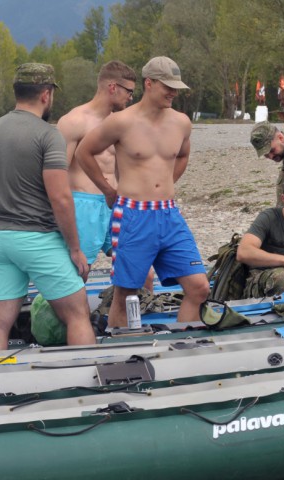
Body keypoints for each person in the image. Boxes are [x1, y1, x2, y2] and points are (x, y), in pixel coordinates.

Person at [75, 56, 209, 328]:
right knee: (126, 293)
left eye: (176, 87)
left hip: (169, 215)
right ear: (149, 83)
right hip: (133, 215)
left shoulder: (181, 122)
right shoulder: (121, 122)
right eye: (167, 86)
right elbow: (84, 152)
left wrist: (168, 181)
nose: (173, 92)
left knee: (199, 288)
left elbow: (182, 155)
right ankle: (123, 349)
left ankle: (182, 344)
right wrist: (107, 190)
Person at [0, 63, 95, 350]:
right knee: (78, 315)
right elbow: (61, 197)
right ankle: (90, 385)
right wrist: (75, 248)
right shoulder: (47, 134)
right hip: (35, 238)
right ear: (46, 94)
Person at [57, 61, 136, 269]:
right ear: (112, 87)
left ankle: (127, 302)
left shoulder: (119, 122)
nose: (131, 97)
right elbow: (57, 174)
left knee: (138, 267)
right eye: (129, 92)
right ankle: (51, 302)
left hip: (115, 204)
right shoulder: (74, 121)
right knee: (79, 271)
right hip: (83, 205)